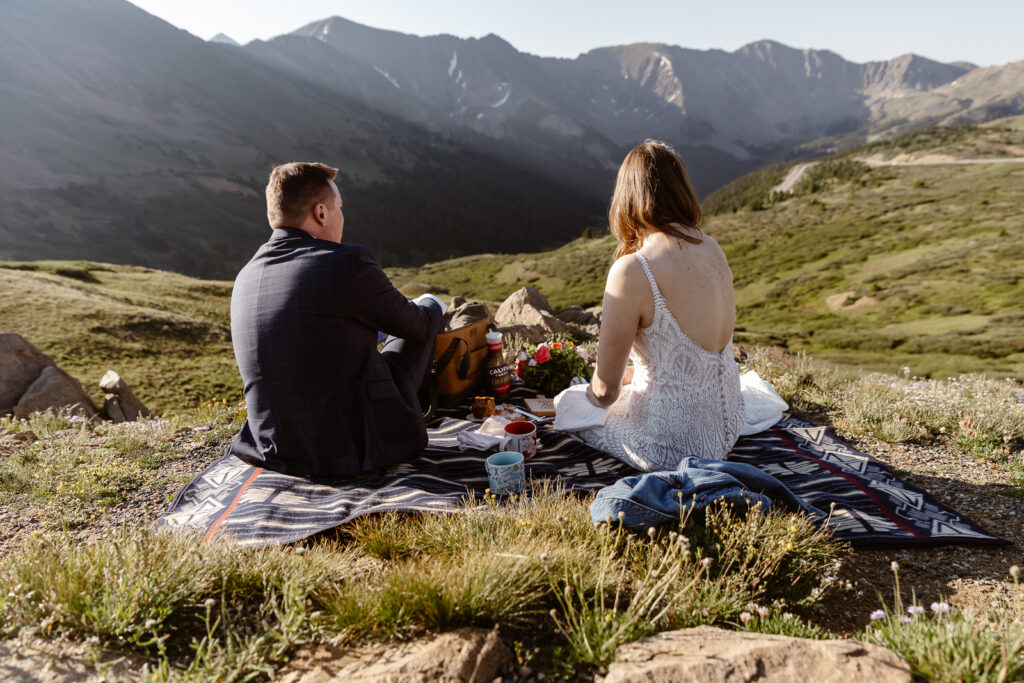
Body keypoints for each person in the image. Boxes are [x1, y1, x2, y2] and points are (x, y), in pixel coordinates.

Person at [227, 162, 445, 479]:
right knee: (420, 324)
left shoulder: (245, 276)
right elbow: (419, 326)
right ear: (321, 213)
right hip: (347, 451)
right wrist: (433, 305)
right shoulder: (346, 263)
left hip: (270, 447)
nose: (342, 216)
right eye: (339, 208)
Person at [579, 140, 744, 471]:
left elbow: (606, 392)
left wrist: (585, 391)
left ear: (627, 197)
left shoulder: (632, 269)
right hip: (729, 428)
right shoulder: (712, 247)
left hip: (671, 448)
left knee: (568, 405)